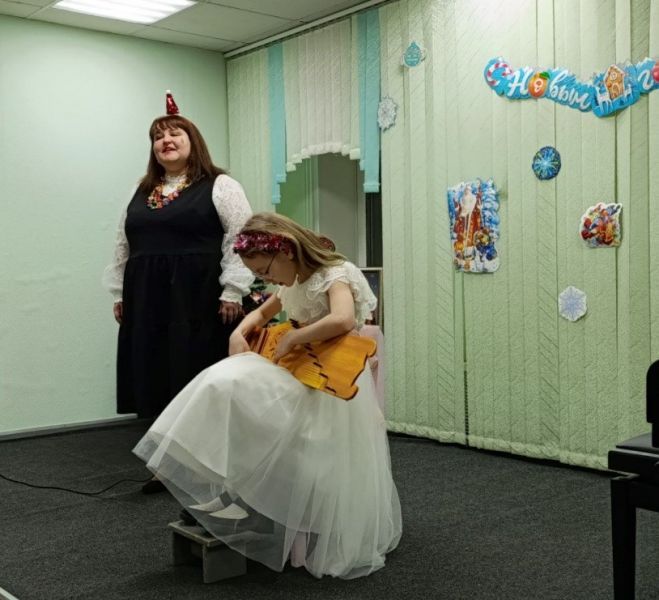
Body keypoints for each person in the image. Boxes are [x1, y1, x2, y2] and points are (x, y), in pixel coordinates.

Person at [133, 212, 402, 579]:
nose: (268, 280)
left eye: (266, 271)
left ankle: (240, 493)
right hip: (300, 371)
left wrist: (295, 336)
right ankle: (233, 489)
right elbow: (260, 313)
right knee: (224, 383)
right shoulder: (292, 282)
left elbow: (342, 319)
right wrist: (238, 332)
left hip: (326, 384)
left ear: (286, 251)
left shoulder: (335, 273)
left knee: (233, 385)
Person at [103, 102, 253, 492]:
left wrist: (233, 289)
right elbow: (122, 243)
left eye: (174, 133)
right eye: (157, 136)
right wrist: (119, 292)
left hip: (198, 297)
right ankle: (166, 464)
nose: (165, 141)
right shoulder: (140, 191)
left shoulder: (221, 185)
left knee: (194, 374)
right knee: (155, 373)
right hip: (146, 298)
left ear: (192, 141)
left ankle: (209, 466)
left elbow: (240, 238)